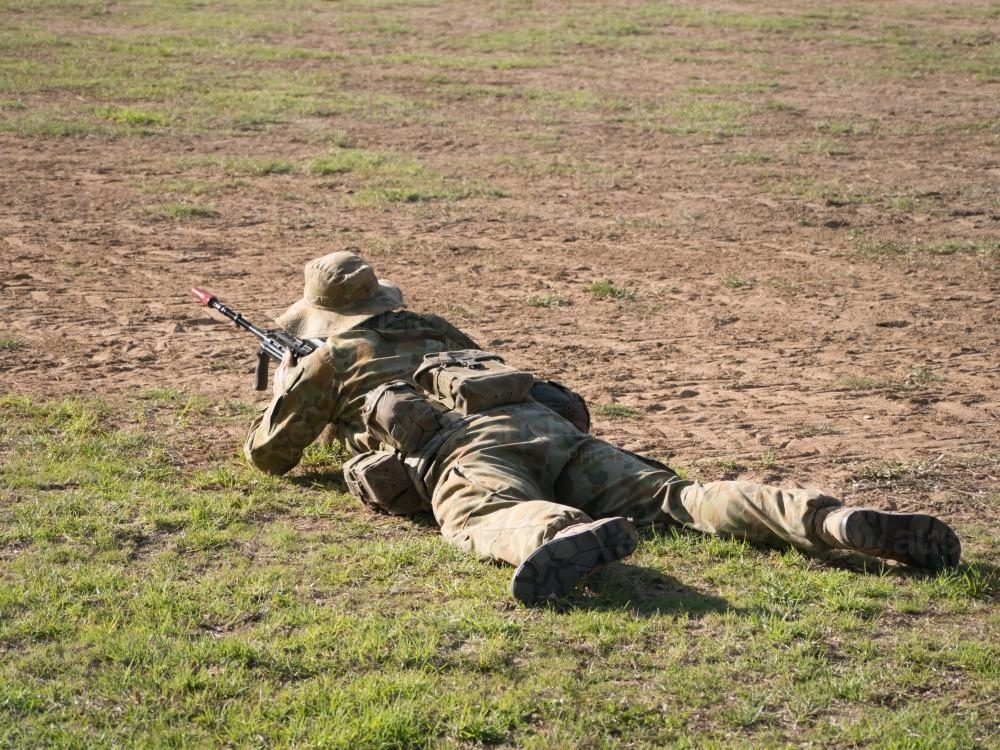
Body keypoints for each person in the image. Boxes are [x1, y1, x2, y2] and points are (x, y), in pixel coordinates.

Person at [243, 251, 962, 604]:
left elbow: (269, 457)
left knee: (480, 518)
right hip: (541, 422)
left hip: (460, 452)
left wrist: (291, 381)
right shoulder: (435, 326)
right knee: (679, 498)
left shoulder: (327, 357)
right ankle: (831, 521)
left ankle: (559, 533)